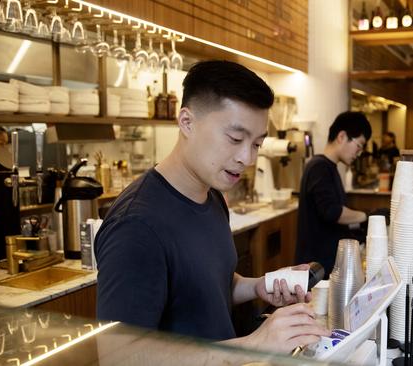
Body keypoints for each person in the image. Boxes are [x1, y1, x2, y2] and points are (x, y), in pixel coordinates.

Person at [95, 60, 329, 354]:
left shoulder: (212, 195)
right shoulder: (137, 226)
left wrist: (257, 286)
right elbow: (119, 359)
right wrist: (253, 344)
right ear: (187, 122)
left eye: (256, 144)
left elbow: (205, 288)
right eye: (235, 138)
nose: (247, 157)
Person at [295, 111, 372, 277]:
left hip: (325, 263)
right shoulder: (319, 167)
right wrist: (367, 216)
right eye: (358, 145)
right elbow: (332, 212)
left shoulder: (329, 167)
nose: (358, 153)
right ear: (342, 136)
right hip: (316, 267)